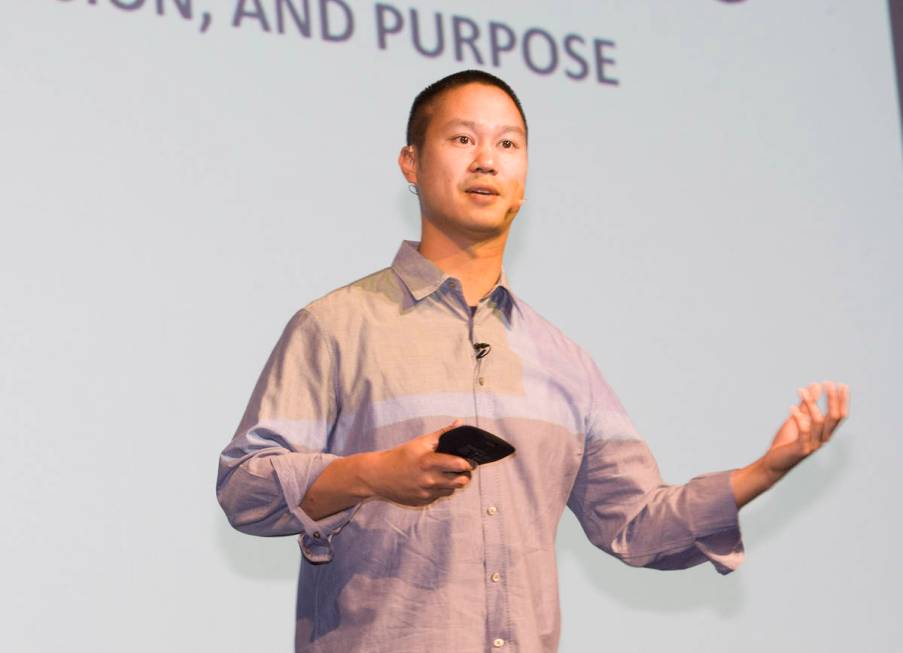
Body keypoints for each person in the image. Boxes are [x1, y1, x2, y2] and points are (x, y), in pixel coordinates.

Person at [216, 69, 849, 653]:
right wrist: (371, 475)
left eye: (509, 145)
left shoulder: (563, 361)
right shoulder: (336, 326)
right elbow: (246, 488)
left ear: (524, 178)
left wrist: (766, 470)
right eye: (462, 138)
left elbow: (636, 523)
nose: (486, 160)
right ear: (411, 163)